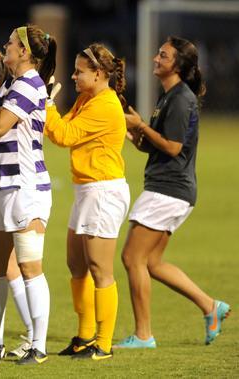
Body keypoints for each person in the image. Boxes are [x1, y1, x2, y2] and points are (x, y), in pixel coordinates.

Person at [116, 36, 231, 348]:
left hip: (169, 189)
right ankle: (211, 306)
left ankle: (143, 335)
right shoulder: (169, 96)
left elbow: (173, 147)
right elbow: (154, 145)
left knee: (131, 257)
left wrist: (141, 126)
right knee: (151, 263)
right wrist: (132, 131)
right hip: (170, 188)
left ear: (177, 65)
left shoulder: (181, 99)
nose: (155, 58)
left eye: (163, 55)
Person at [0, 24, 56, 365]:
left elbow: (2, 125)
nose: (5, 46)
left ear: (24, 52)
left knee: (29, 265)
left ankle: (39, 344)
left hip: (25, 188)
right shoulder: (11, 85)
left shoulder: (30, 83)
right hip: (0, 185)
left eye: (10, 43)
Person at [45, 43, 129, 360]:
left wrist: (47, 105)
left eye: (80, 71)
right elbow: (60, 134)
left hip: (103, 190)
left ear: (98, 73)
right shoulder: (86, 98)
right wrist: (50, 111)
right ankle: (83, 337)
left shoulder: (106, 105)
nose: (74, 75)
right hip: (86, 189)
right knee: (76, 265)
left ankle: (103, 344)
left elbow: (65, 134)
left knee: (100, 269)